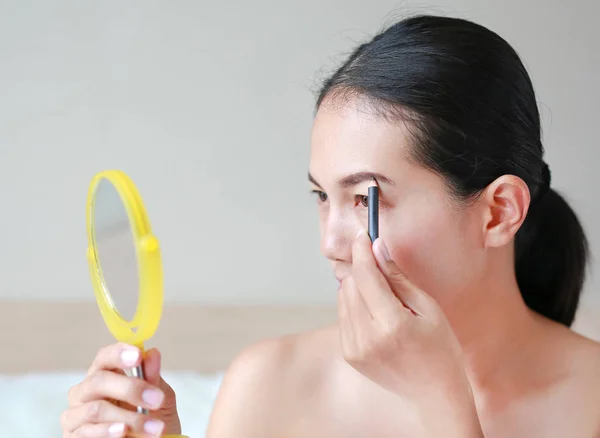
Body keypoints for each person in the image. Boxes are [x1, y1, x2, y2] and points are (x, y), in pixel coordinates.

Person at [61, 14, 600, 438]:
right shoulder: (270, 383)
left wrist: (441, 404)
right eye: (322, 195)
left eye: (367, 200)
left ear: (499, 211)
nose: (329, 244)